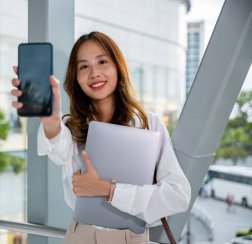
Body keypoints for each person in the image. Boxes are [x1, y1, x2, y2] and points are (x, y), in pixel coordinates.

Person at [11, 31, 191, 244]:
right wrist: (51, 123)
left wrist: (108, 190)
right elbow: (58, 150)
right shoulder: (71, 127)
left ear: (117, 67)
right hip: (80, 236)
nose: (94, 73)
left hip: (131, 238)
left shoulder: (148, 124)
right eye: (84, 66)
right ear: (76, 77)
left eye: (102, 61)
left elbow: (178, 195)